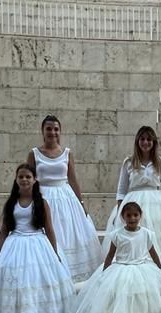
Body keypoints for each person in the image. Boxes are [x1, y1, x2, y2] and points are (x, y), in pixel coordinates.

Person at [0, 164, 75, 313]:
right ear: (16, 179)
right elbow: (4, 229)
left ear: (35, 179)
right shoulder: (11, 202)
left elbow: (50, 229)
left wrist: (54, 253)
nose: (24, 180)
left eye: (28, 176)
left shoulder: (42, 203)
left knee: (37, 285)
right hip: (15, 245)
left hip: (38, 244)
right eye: (21, 176)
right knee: (15, 286)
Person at [74, 203, 161, 313]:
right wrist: (104, 272)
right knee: (123, 303)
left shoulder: (147, 233)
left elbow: (153, 253)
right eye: (128, 215)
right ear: (123, 217)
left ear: (140, 216)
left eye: (135, 215)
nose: (132, 218)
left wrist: (160, 269)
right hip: (121, 268)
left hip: (142, 268)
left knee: (139, 304)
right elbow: (110, 255)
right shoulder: (117, 234)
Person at [104, 126, 161, 282]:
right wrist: (118, 208)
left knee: (158, 240)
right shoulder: (128, 162)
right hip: (133, 201)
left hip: (157, 202)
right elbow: (122, 188)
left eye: (149, 139)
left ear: (153, 142)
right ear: (137, 141)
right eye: (142, 139)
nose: (145, 142)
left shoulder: (160, 161)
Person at [27, 114, 103, 282]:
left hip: (66, 198)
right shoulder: (34, 154)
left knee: (68, 233)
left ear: (60, 131)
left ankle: (69, 271)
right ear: (42, 131)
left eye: (56, 129)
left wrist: (81, 203)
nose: (52, 132)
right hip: (43, 197)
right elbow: (28, 179)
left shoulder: (67, 153)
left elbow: (73, 179)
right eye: (49, 129)